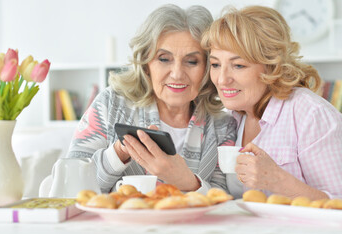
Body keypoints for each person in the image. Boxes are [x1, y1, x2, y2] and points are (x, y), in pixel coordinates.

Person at [67, 4, 236, 194]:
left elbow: (225, 200)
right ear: (146, 64)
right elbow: (70, 183)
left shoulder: (223, 126)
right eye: (164, 59)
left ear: (207, 67)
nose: (177, 74)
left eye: (191, 61)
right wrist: (118, 155)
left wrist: (187, 181)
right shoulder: (111, 105)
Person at [201, 5, 342, 200]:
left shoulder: (310, 114)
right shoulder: (233, 117)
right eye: (216, 64)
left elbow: (337, 204)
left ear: (272, 66)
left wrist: (277, 180)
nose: (222, 79)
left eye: (238, 65)